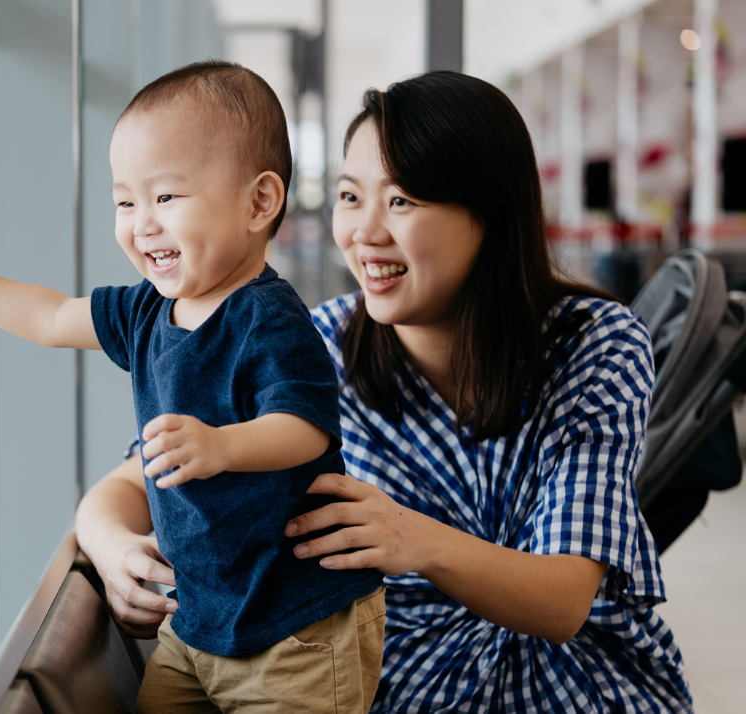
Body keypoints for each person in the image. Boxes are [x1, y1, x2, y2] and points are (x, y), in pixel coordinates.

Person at [77, 71, 694, 712]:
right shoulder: (310, 343)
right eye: (350, 196)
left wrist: (413, 539)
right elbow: (129, 484)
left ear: (489, 212)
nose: (364, 232)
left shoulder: (592, 343)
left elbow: (565, 600)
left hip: (580, 687)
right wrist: (112, 547)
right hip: (402, 686)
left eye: (400, 201)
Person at [0, 61, 384, 712]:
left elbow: (303, 429)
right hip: (197, 624)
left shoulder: (271, 319)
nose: (142, 223)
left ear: (259, 202)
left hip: (298, 633)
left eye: (166, 197)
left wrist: (221, 447)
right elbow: (51, 317)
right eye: (125, 202)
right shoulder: (144, 311)